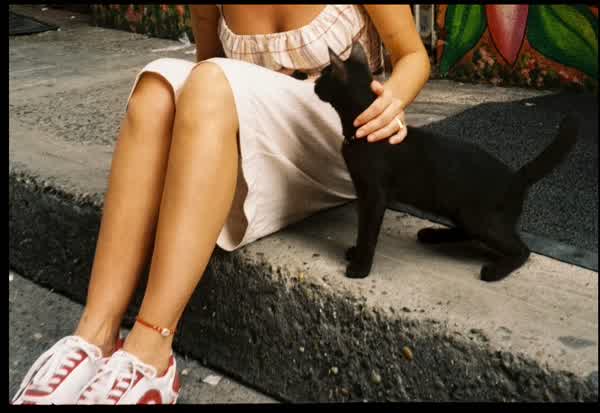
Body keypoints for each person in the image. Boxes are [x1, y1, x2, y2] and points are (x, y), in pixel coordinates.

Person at [12, 4, 430, 405]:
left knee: (211, 82)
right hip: (265, 134)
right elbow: (208, 72)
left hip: (338, 139)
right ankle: (93, 335)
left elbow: (412, 56)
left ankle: (150, 350)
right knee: (158, 86)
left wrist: (390, 101)